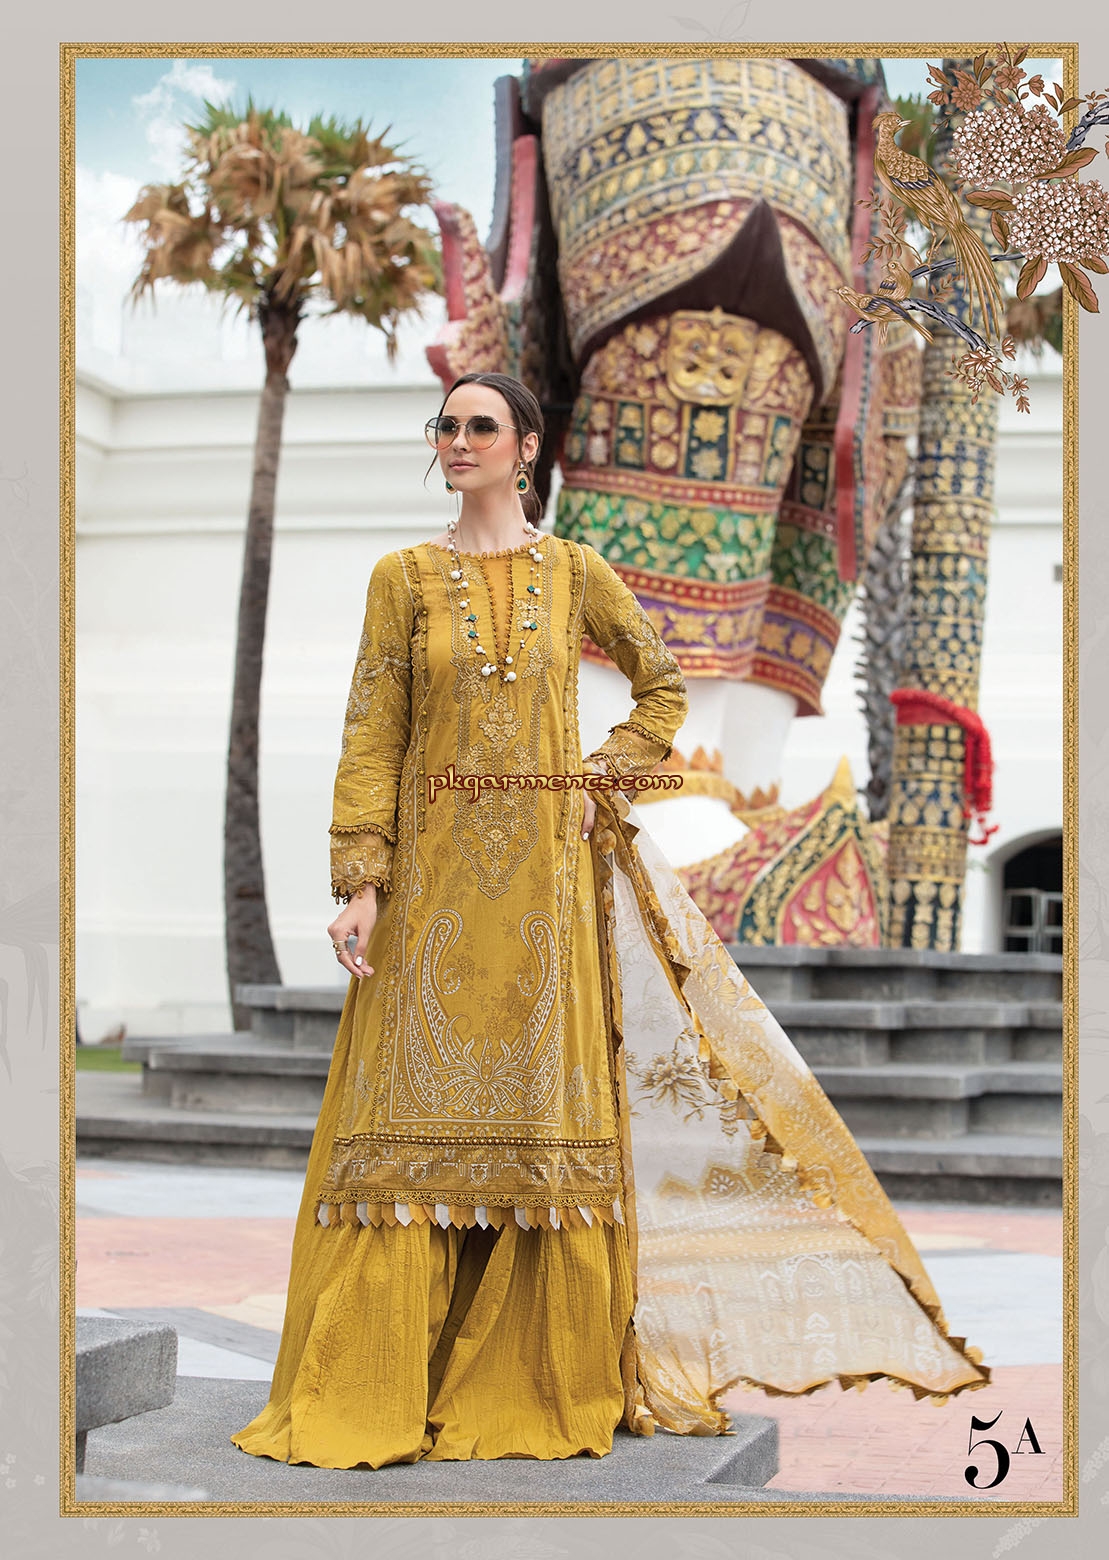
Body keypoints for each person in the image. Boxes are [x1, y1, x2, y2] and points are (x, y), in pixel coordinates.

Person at [230, 371, 990, 1472]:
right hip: (431, 891)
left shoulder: (575, 573)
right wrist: (361, 879)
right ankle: (382, 1382)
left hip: (546, 890)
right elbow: (372, 731)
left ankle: (526, 1381)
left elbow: (662, 687)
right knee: (401, 1127)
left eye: (479, 425)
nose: (456, 440)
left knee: (541, 1130)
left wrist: (601, 776)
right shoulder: (401, 578)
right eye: (444, 425)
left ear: (525, 447)